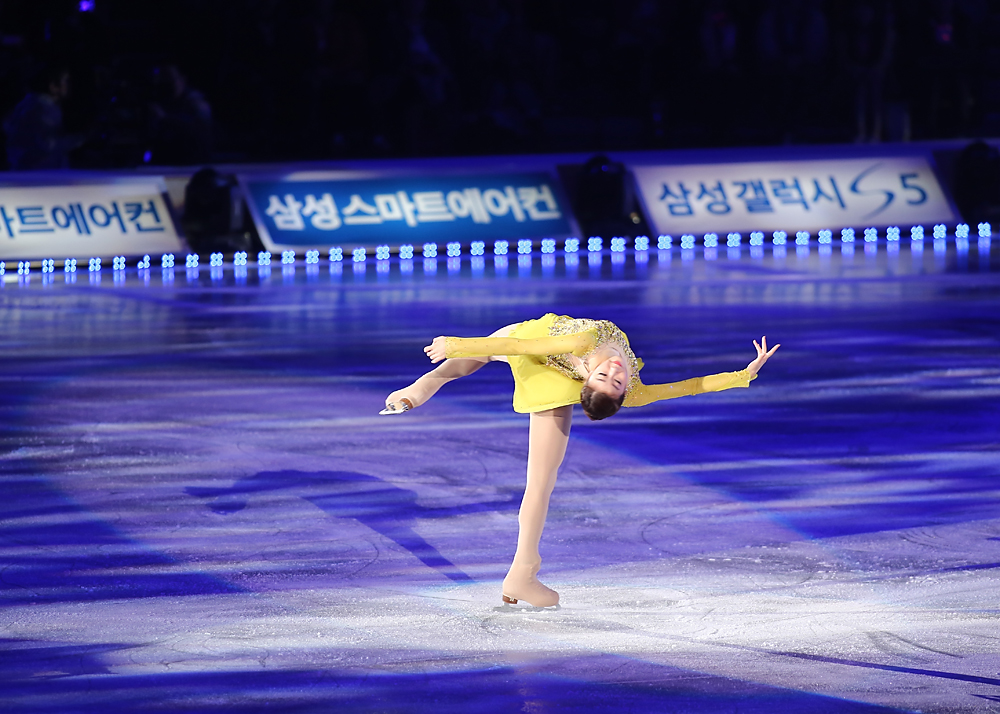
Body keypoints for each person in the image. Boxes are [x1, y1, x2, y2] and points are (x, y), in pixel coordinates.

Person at [382, 313, 779, 607]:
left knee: (542, 481)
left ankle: (522, 573)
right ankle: (419, 389)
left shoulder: (629, 388)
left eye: (613, 381)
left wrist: (745, 373)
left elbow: (690, 387)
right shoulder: (583, 341)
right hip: (531, 339)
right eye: (612, 378)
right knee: (486, 354)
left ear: (594, 386)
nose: (615, 371)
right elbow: (520, 348)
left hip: (555, 372)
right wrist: (458, 344)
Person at [4, 65, 76, 170]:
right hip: (40, 175)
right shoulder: (42, 108)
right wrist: (81, 138)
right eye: (66, 81)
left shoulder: (29, 104)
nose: (69, 85)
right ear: (53, 86)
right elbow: (48, 144)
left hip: (29, 173)